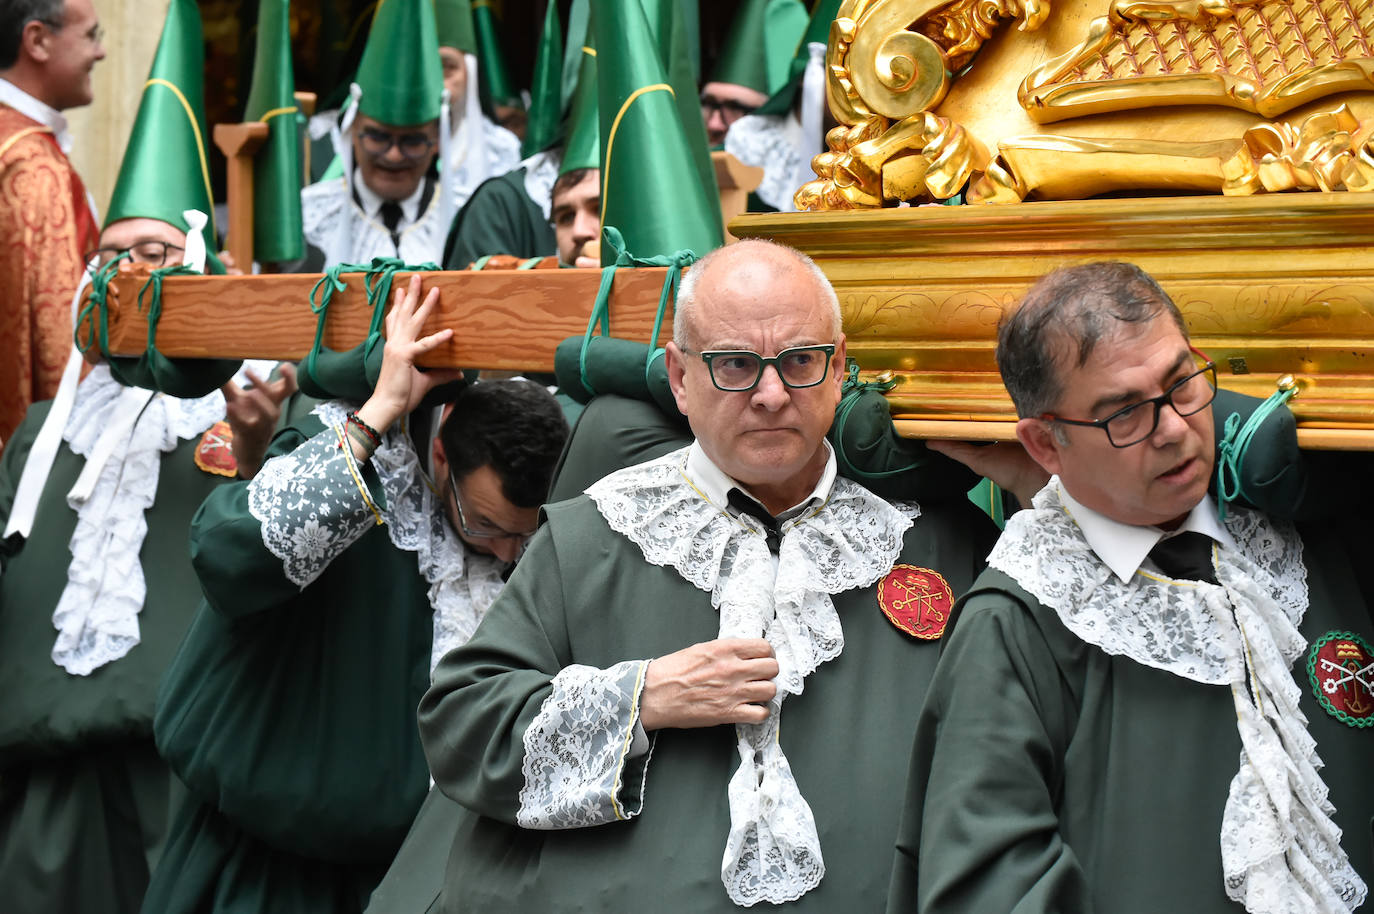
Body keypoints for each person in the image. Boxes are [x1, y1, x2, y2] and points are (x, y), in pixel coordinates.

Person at [416, 239, 1011, 912]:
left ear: (840, 367)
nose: (771, 394)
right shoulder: (591, 536)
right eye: (734, 364)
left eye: (800, 362)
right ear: (678, 377)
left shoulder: (935, 538)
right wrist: (641, 698)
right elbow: (461, 729)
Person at [890, 262, 1374, 914]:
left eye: (1181, 383)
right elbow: (989, 891)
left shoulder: (1302, 543)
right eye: (1125, 414)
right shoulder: (1016, 621)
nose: (1174, 427)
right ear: (1045, 444)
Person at [140, 274, 569, 913]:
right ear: (444, 457)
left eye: (521, 540)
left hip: (416, 877)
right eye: (485, 525)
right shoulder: (347, 453)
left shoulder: (522, 522)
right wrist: (375, 416)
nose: (506, 555)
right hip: (262, 872)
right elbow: (228, 553)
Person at [0, 204, 293, 913]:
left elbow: (281, 571)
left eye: (154, 251)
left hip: (191, 772)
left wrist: (260, 455)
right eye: (109, 255)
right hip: (46, 766)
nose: (127, 269)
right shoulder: (43, 430)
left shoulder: (258, 412)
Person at [0, 0, 104, 448]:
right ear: (38, 41)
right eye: (91, 36)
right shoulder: (32, 165)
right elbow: (62, 335)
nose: (100, 53)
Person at [302, 0, 454, 267]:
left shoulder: (462, 215)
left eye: (413, 141)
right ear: (351, 133)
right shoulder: (308, 218)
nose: (394, 156)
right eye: (377, 137)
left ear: (437, 142)